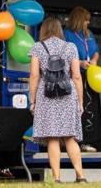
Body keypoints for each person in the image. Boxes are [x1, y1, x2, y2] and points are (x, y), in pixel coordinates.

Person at [29, 17, 86, 183]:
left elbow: (34, 75)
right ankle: (80, 176)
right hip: (68, 94)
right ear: (59, 30)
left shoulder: (37, 47)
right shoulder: (70, 47)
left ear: (44, 30)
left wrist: (32, 100)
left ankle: (57, 178)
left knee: (52, 137)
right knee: (70, 136)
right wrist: (80, 101)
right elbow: (76, 76)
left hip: (46, 95)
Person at [64, 6, 101, 152]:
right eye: (86, 20)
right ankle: (75, 141)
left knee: (91, 107)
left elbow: (96, 52)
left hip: (90, 75)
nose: (88, 23)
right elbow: (63, 56)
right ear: (78, 20)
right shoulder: (67, 34)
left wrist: (94, 60)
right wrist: (79, 63)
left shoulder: (89, 34)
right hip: (74, 76)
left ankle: (89, 140)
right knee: (77, 107)